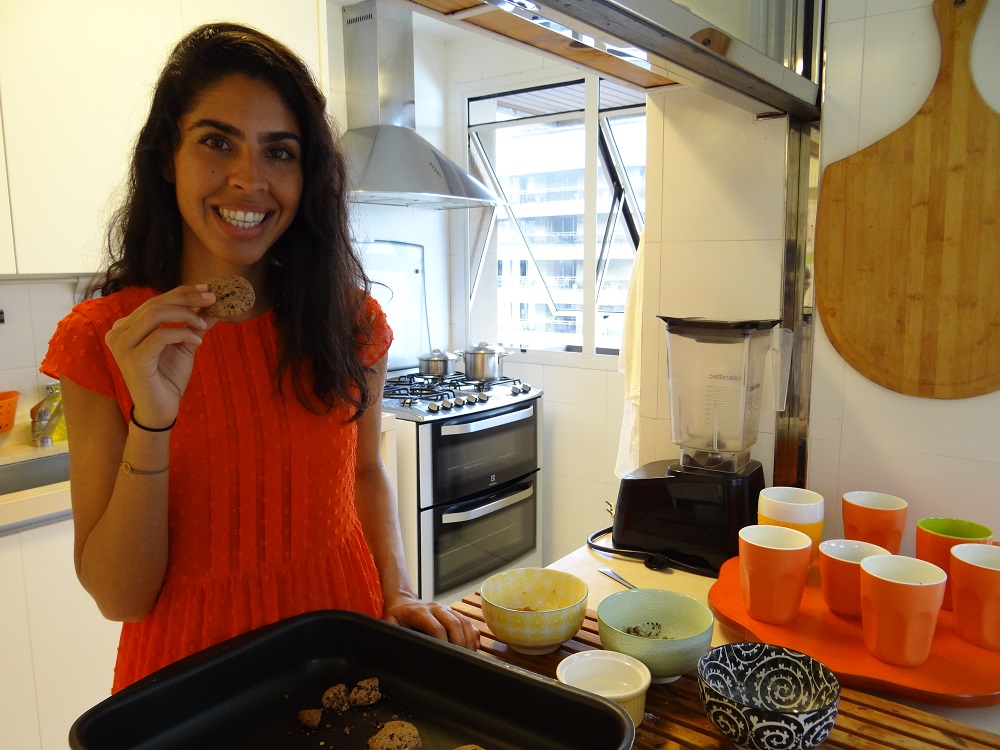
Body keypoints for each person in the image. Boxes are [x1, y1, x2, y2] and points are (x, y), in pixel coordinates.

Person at [40, 22, 479, 693]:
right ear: (168, 158)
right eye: (217, 142)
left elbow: (365, 471)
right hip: (192, 688)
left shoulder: (351, 322)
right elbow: (121, 598)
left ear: (307, 176)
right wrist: (154, 419)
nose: (249, 180)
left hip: (344, 653)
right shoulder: (105, 341)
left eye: (279, 152)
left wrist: (398, 589)